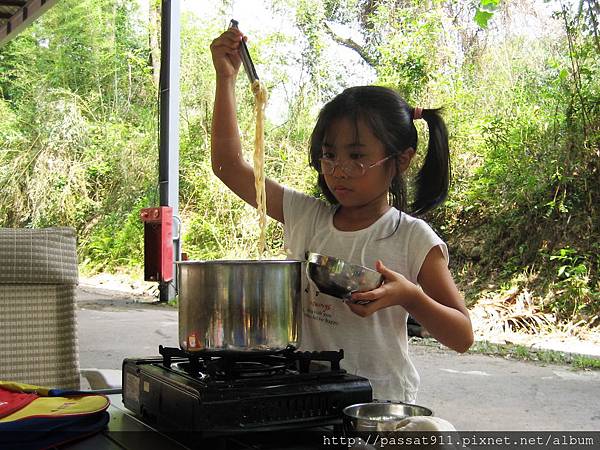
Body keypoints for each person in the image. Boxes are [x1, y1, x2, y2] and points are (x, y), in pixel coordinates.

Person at [210, 27, 473, 403]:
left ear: (400, 160)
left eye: (357, 157)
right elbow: (228, 166)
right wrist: (225, 79)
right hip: (304, 398)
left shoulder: (412, 238)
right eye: (329, 155)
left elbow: (462, 336)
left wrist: (410, 297)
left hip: (378, 408)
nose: (338, 170)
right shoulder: (306, 216)